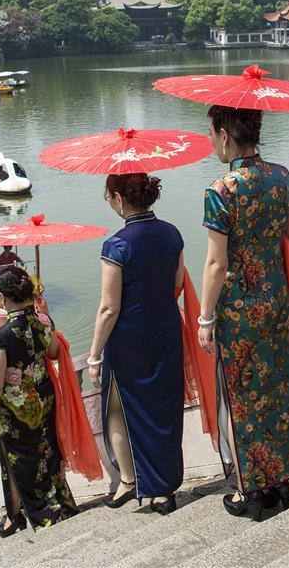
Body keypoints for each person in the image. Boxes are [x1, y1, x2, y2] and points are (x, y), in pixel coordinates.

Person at [197, 105, 289, 522]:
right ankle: (280, 480)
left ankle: (251, 490)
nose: (211, 142)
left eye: (211, 134)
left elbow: (216, 264)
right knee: (276, 391)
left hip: (239, 314)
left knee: (241, 399)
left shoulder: (220, 191)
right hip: (276, 304)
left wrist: (206, 317)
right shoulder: (281, 177)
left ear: (225, 135)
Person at [87, 173, 186, 515]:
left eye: (107, 196)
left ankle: (129, 479)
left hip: (130, 338)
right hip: (166, 330)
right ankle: (163, 488)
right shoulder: (172, 233)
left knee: (115, 407)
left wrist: (95, 355)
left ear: (118, 198)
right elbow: (177, 283)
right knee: (163, 408)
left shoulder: (116, 245)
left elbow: (108, 308)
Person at [0, 265, 79, 536]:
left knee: (15, 460)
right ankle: (56, 504)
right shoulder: (43, 321)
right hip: (44, 398)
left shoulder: (0, 337)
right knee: (47, 452)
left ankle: (24, 515)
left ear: (2, 297)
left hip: (17, 408)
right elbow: (53, 351)